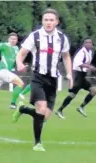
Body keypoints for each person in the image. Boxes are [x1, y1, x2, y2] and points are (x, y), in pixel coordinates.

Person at [13, 8, 73, 151]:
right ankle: (37, 143)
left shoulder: (62, 38)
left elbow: (66, 56)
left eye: (51, 20)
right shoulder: (35, 36)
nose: (48, 22)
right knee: (41, 108)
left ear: (57, 22)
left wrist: (69, 74)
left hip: (53, 80)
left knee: (45, 116)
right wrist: (19, 63)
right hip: (38, 77)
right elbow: (21, 53)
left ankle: (22, 109)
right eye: (46, 19)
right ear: (42, 21)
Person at [55, 38, 96, 119]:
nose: (89, 44)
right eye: (87, 43)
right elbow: (77, 63)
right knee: (73, 94)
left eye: (90, 43)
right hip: (78, 75)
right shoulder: (82, 52)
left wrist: (89, 68)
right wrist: (88, 66)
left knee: (93, 90)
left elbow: (86, 64)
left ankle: (81, 107)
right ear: (84, 44)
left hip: (83, 76)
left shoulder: (90, 52)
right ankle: (59, 110)